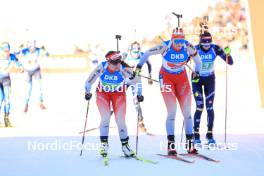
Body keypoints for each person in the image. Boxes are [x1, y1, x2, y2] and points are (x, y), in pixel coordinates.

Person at [136, 28, 202, 155]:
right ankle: (171, 145)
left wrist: (197, 72)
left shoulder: (188, 46)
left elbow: (198, 62)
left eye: (181, 41)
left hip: (181, 78)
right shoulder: (165, 46)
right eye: (176, 40)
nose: (179, 44)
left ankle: (190, 145)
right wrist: (139, 67)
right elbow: (146, 54)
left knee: (187, 112)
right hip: (166, 78)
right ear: (172, 39)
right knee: (172, 111)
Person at [85, 50, 140, 158]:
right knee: (105, 118)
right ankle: (104, 144)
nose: (117, 65)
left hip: (119, 95)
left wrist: (134, 81)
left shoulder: (123, 69)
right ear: (108, 62)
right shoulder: (102, 67)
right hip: (103, 94)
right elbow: (89, 81)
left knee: (120, 120)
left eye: (119, 62)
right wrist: (87, 92)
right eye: (114, 63)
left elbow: (137, 80)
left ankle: (125, 146)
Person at [192, 31, 233, 145]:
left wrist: (227, 53)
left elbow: (230, 62)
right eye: (204, 44)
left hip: (210, 80)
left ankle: (209, 134)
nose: (207, 46)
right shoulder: (195, 49)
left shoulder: (215, 48)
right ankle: (196, 135)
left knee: (210, 107)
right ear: (200, 43)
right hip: (197, 80)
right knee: (200, 107)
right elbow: (183, 61)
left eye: (209, 44)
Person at [124, 41, 152, 132]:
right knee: (118, 97)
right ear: (130, 50)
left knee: (137, 100)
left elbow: (149, 64)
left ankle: (140, 122)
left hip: (136, 80)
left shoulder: (143, 55)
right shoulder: (126, 55)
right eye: (134, 51)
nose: (136, 53)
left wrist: (150, 76)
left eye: (138, 51)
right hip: (125, 80)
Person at [18, 40, 48, 113]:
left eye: (33, 47)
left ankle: (40, 103)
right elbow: (16, 53)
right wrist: (19, 48)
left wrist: (44, 50)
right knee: (28, 89)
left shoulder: (38, 50)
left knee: (39, 87)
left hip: (36, 70)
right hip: (28, 71)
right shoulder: (25, 50)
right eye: (30, 47)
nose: (31, 49)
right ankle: (26, 104)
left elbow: (47, 54)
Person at [0, 42, 23, 127]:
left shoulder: (12, 56)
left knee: (7, 100)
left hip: (6, 80)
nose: (7, 52)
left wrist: (21, 68)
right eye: (5, 51)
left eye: (8, 50)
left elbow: (19, 64)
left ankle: (6, 120)